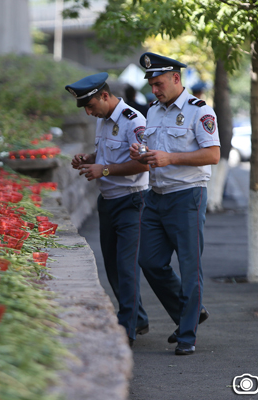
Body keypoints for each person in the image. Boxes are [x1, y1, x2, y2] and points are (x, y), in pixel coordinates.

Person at [130, 53, 220, 355]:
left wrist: (172, 158)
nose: (154, 90)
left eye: (159, 84)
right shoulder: (153, 112)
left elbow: (212, 155)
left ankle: (186, 336)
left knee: (190, 267)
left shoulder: (200, 111)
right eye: (152, 85)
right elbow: (157, 150)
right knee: (149, 261)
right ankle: (189, 313)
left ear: (176, 79)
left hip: (187, 196)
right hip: (156, 196)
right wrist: (142, 154)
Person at [65, 72, 150, 348]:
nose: (89, 112)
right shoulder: (103, 121)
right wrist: (88, 159)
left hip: (131, 200)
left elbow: (144, 164)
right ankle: (137, 317)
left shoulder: (133, 121)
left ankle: (127, 328)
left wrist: (103, 168)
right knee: (112, 267)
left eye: (90, 106)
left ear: (104, 95)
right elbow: (106, 155)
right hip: (108, 201)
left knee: (126, 267)